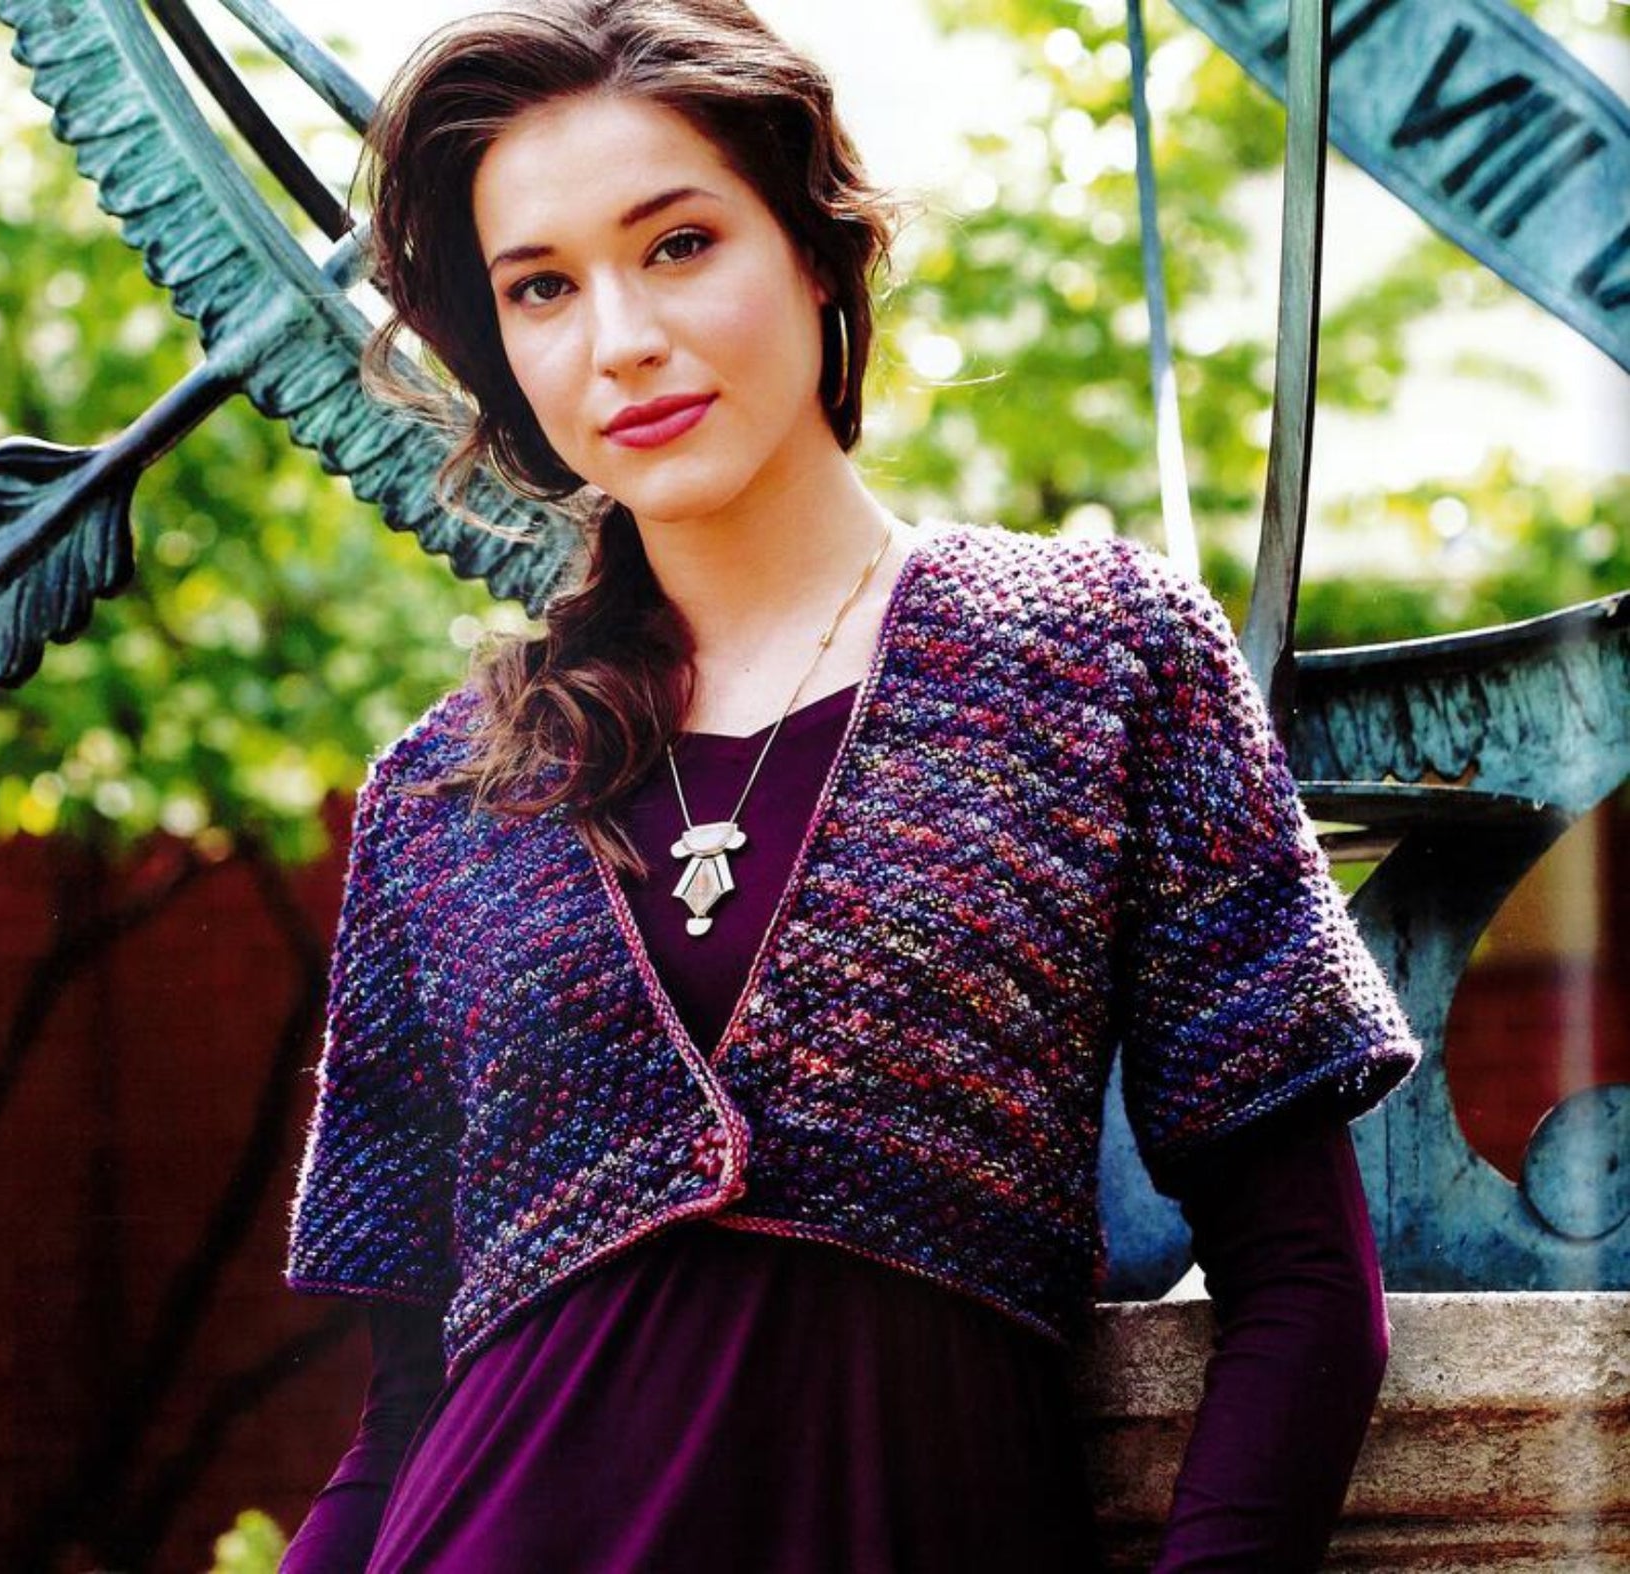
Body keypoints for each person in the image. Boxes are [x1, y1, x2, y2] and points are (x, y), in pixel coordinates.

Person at [278, 2, 1423, 1569]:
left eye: (676, 244)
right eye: (540, 286)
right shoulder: (444, 798)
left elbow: (1303, 1293)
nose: (617, 337)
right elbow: (404, 1406)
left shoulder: (1096, 660)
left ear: (818, 252)